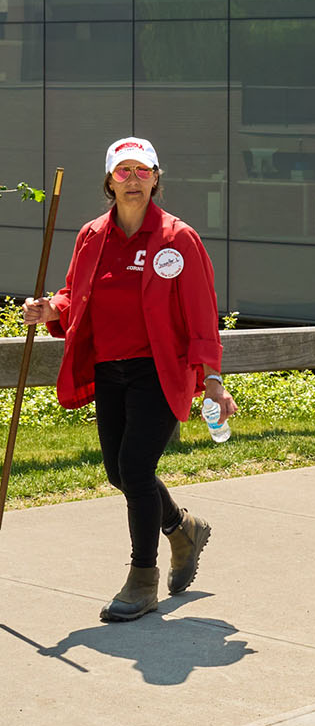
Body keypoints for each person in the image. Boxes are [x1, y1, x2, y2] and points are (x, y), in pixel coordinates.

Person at [23, 137, 229, 623]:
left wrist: (215, 380)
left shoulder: (179, 239)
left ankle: (142, 580)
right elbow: (77, 296)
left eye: (142, 171)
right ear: (109, 182)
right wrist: (50, 308)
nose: (132, 180)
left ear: (156, 178)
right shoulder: (92, 235)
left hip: (159, 369)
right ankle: (183, 529)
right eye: (123, 172)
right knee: (119, 472)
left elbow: (202, 316)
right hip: (108, 367)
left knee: (135, 471)